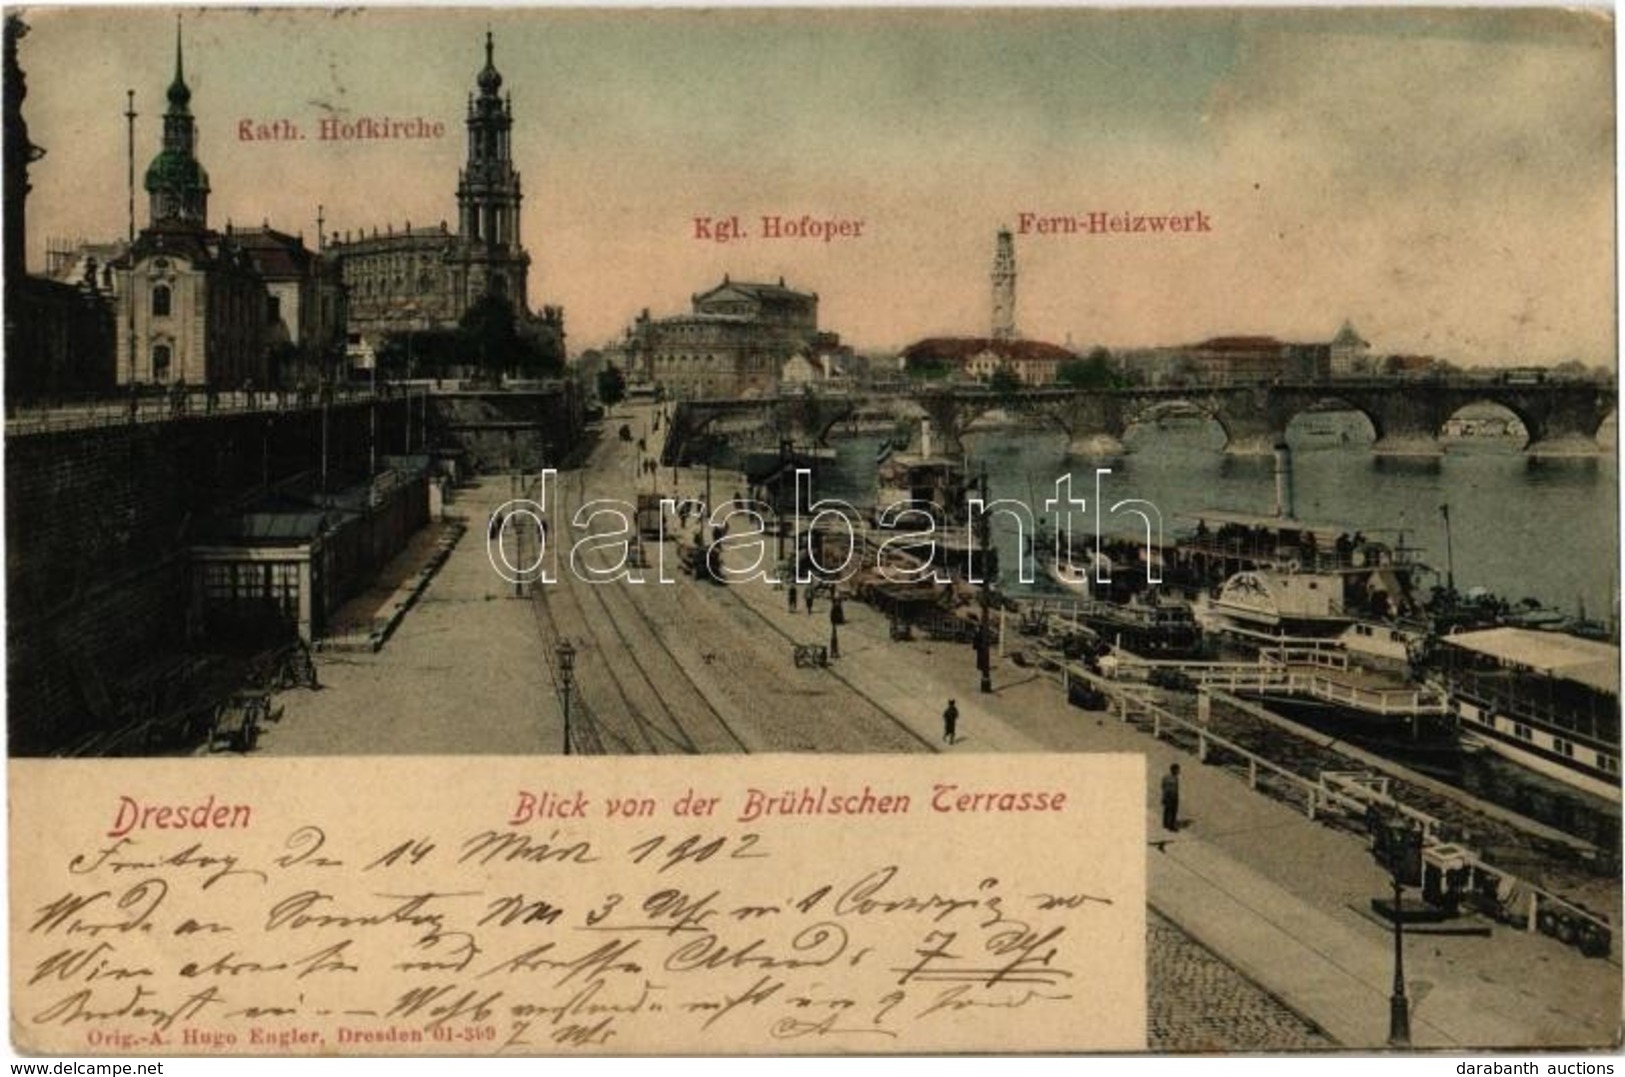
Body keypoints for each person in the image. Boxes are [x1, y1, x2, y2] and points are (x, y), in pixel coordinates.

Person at [1161, 763, 1181, 832]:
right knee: (1173, 811)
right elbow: (1175, 789)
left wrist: (1163, 796)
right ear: (1174, 770)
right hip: (1172, 796)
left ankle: (1165, 824)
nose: (1179, 771)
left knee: (1166, 810)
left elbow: (1162, 786)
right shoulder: (1175, 778)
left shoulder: (1165, 777)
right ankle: (1171, 826)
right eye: (1178, 770)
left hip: (1166, 796)